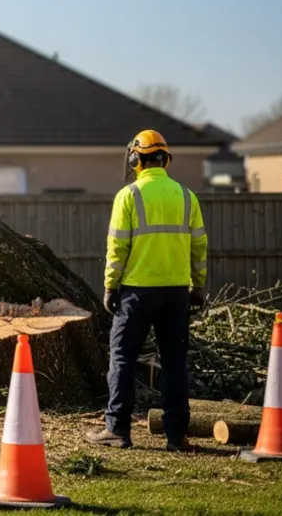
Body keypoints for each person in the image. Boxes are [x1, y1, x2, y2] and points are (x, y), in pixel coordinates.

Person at [86, 130, 208, 452]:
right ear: (165, 159)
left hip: (137, 292)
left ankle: (117, 430)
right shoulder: (186, 196)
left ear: (135, 159)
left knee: (123, 358)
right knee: (174, 364)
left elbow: (117, 247)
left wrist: (110, 287)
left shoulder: (129, 196)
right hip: (176, 293)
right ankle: (176, 436)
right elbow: (199, 245)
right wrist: (198, 286)